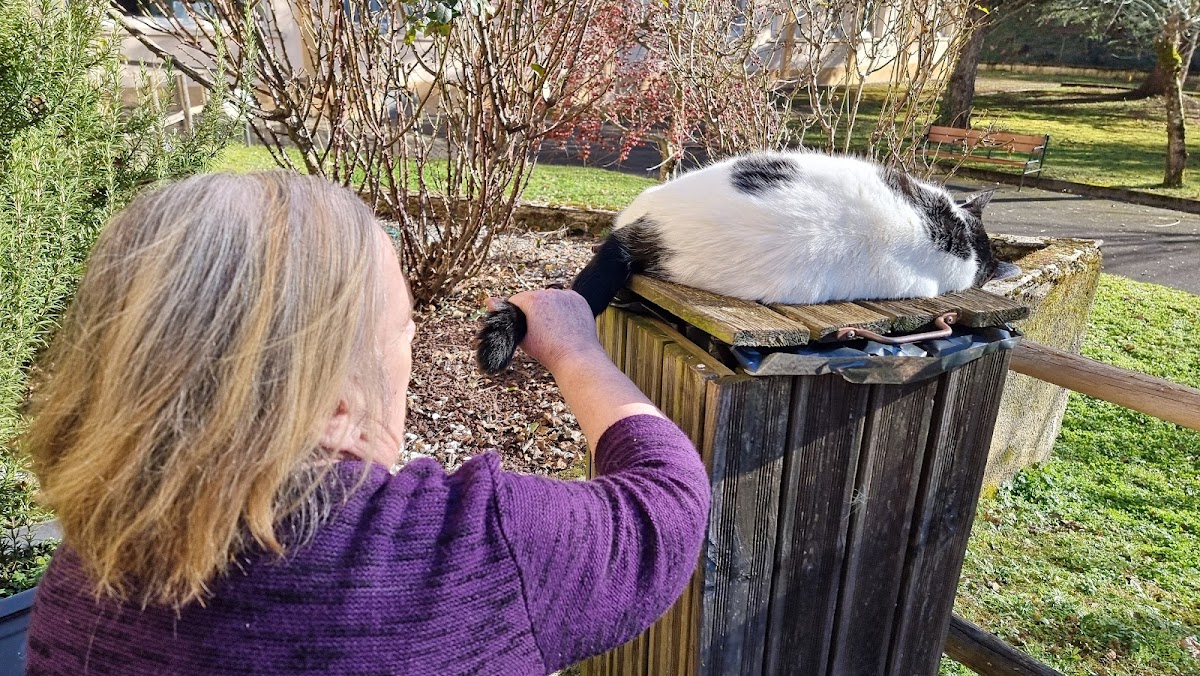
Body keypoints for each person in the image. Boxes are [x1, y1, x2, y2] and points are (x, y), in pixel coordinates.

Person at [21, 172, 710, 675]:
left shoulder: (84, 576)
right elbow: (668, 504)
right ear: (334, 402)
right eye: (405, 334)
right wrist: (575, 349)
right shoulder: (471, 554)